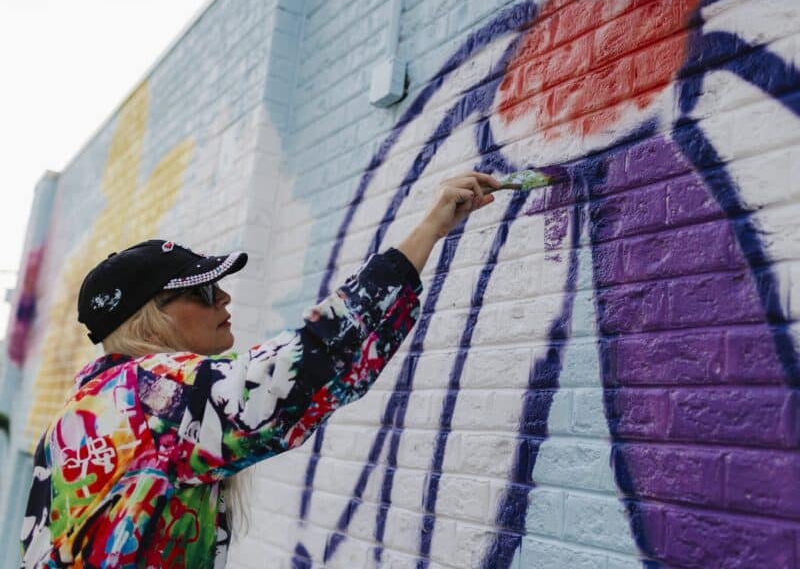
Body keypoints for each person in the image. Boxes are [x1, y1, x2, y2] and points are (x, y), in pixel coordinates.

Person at [20, 172, 501, 568]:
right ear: (153, 315)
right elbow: (307, 367)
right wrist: (430, 229)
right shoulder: (151, 397)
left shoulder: (76, 417)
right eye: (205, 291)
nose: (224, 298)